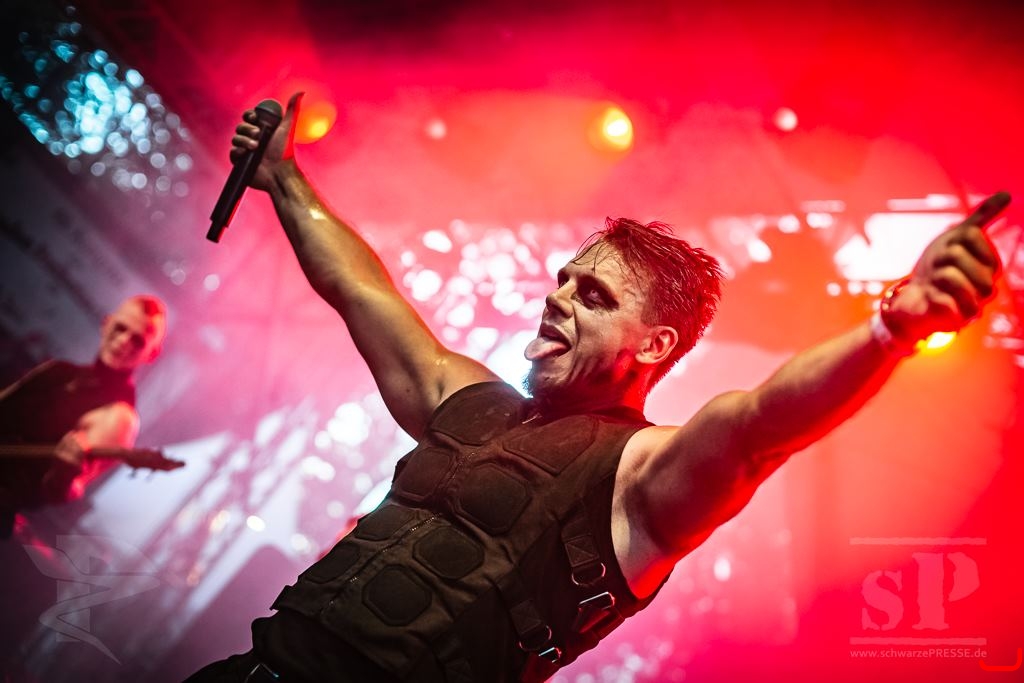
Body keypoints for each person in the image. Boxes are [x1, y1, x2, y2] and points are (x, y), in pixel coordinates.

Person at [187, 93, 1005, 682]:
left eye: (594, 295)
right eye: (563, 280)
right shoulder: (469, 403)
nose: (558, 298)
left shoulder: (640, 480)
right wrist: (284, 178)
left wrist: (892, 329)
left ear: (655, 344)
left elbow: (759, 426)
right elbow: (363, 290)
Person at [0, 294, 168, 538]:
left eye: (138, 340)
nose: (124, 341)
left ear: (151, 354)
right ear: (106, 324)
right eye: (121, 328)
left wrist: (64, 475)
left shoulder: (119, 416)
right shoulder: (59, 370)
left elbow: (66, 490)